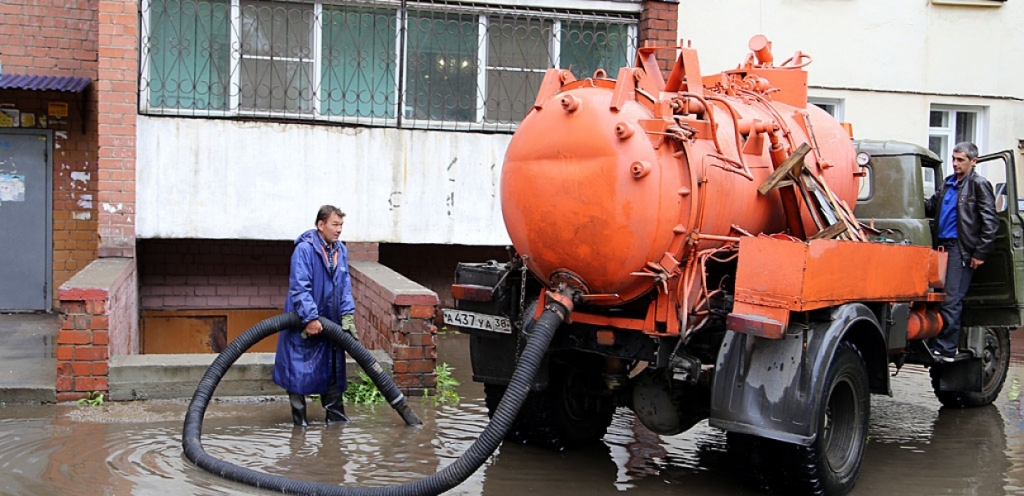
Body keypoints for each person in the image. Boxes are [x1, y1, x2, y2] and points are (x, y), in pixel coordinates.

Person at [273, 205, 360, 426]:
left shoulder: (340, 250)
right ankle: (299, 425)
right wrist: (310, 318)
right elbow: (300, 287)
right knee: (298, 372)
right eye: (335, 224)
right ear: (321, 225)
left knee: (332, 371)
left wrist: (348, 315)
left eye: (341, 225)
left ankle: (336, 422)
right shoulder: (305, 249)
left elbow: (345, 285)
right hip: (303, 322)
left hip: (331, 323)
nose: (339, 230)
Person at [923, 142, 998, 362]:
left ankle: (947, 349)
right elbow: (931, 206)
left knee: (951, 300)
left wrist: (979, 253)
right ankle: (935, 344)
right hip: (941, 246)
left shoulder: (978, 184)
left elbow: (990, 223)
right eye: (954, 159)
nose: (955, 163)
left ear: (974, 161)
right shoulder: (948, 183)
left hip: (961, 248)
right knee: (936, 297)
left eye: (960, 160)